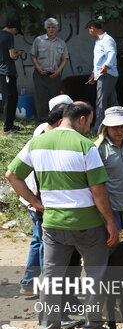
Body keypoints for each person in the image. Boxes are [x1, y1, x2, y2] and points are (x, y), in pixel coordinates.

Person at [5, 102, 118, 329]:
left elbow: (11, 175)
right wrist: (110, 220)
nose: (89, 128)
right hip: (87, 223)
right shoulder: (85, 146)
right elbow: (98, 190)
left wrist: (35, 202)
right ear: (81, 120)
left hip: (53, 224)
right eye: (89, 122)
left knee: (52, 279)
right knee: (95, 276)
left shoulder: (37, 142)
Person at [18, 96, 72, 296]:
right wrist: (35, 197)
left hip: (36, 197)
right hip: (37, 197)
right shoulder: (43, 135)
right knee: (45, 245)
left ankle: (28, 283)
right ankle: (47, 290)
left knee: (38, 240)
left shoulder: (43, 129)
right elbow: (34, 167)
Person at [30, 17, 68, 120]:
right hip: (40, 74)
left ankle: (53, 119)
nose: (51, 29)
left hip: (54, 75)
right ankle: (42, 119)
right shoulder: (39, 40)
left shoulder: (61, 43)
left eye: (53, 27)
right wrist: (38, 68)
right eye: (49, 27)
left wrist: (58, 71)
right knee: (40, 98)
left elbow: (64, 59)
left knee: (54, 98)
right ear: (46, 28)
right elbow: (33, 55)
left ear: (57, 29)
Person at [86, 20, 119, 132]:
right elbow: (99, 59)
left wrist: (106, 66)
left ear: (92, 28)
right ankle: (119, 122)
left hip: (106, 74)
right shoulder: (99, 41)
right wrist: (93, 73)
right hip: (103, 74)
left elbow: (112, 53)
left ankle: (98, 127)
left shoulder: (107, 39)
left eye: (89, 30)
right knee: (112, 101)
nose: (89, 33)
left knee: (101, 101)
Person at [1, 20, 25, 134]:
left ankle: (10, 125)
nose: (15, 34)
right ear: (14, 29)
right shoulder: (9, 36)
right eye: (16, 32)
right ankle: (7, 128)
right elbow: (12, 55)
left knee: (10, 98)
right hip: (7, 72)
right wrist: (18, 53)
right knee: (10, 100)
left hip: (2, 73)